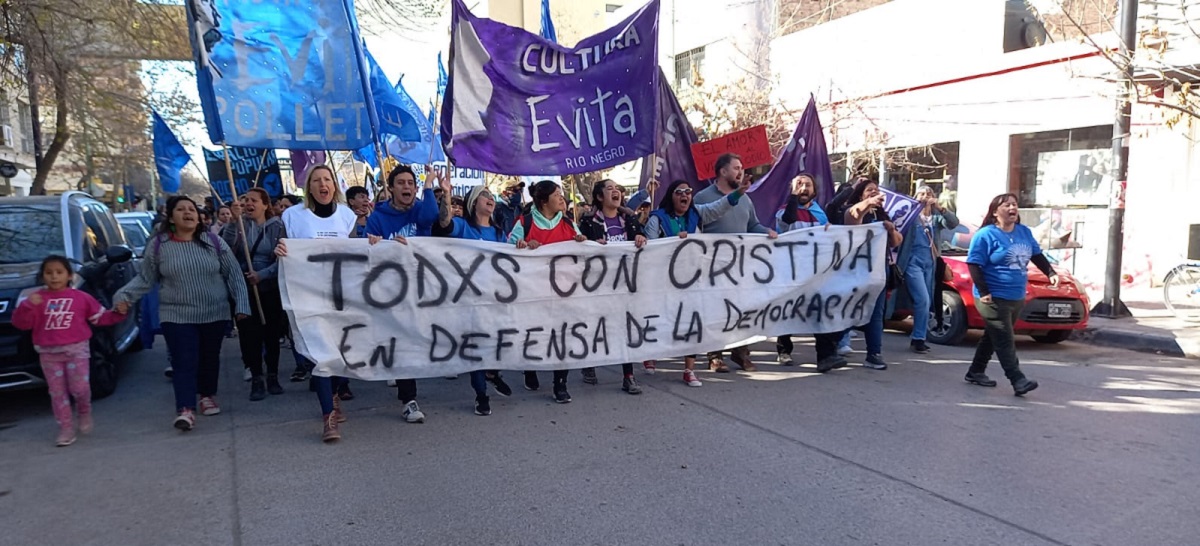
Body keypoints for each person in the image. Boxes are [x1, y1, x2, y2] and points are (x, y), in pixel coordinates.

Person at [114, 196, 251, 431]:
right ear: (171, 216)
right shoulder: (159, 246)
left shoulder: (213, 242)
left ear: (198, 217)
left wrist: (242, 305)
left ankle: (207, 395)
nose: (188, 213)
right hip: (176, 316)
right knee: (184, 360)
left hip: (214, 312)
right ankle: (185, 409)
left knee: (209, 358)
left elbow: (234, 274)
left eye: (192, 209)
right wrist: (124, 296)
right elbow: (145, 278)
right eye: (181, 209)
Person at [275, 165, 358, 442]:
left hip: (340, 296)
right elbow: (282, 245)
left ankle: (334, 394)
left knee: (338, 354)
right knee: (321, 356)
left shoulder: (347, 216)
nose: (323, 184)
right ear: (308, 187)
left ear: (334, 185)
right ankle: (328, 418)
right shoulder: (292, 216)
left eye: (328, 179)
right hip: (307, 295)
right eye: (317, 180)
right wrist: (280, 250)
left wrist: (372, 243)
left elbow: (355, 252)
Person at [12, 256, 128, 446]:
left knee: (80, 388)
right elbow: (21, 324)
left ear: (69, 276)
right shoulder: (36, 299)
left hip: (77, 351)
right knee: (57, 392)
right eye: (49, 273)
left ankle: (84, 412)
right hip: (49, 353)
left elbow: (100, 318)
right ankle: (65, 427)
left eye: (59, 272)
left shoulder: (81, 298)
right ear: (42, 277)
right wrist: (28, 305)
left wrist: (118, 313)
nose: (54, 277)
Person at [644, 177, 747, 386]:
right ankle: (651, 352)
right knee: (662, 319)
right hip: (663, 280)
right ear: (670, 196)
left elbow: (719, 207)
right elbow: (650, 249)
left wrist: (738, 193)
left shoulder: (697, 214)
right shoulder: (657, 218)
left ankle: (689, 370)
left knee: (691, 321)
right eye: (679, 192)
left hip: (692, 279)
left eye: (688, 191)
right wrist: (673, 242)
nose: (684, 195)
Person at [365, 164, 447, 424]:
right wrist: (377, 245)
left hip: (422, 286)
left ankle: (398, 369)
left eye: (411, 183)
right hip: (391, 290)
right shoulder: (378, 217)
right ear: (391, 188)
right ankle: (408, 400)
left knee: (414, 338)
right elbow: (364, 248)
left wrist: (430, 184)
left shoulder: (420, 211)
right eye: (401, 183)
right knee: (400, 339)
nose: (407, 187)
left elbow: (432, 214)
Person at [432, 184, 515, 415]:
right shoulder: (462, 226)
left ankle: (493, 373)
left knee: (496, 341)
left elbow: (512, 259)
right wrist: (446, 197)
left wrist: (524, 247)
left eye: (491, 195)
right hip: (468, 299)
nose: (491, 198)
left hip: (495, 298)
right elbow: (444, 224)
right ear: (473, 203)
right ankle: (481, 395)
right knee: (475, 346)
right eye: (484, 195)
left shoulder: (499, 233)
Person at [692, 153, 778, 373]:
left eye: (741, 168)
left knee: (742, 310)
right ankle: (715, 355)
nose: (741, 172)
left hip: (741, 267)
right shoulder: (703, 198)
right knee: (716, 311)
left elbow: (752, 225)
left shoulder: (746, 199)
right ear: (722, 171)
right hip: (713, 267)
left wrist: (766, 232)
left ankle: (741, 353)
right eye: (736, 168)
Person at [965, 193, 1055, 396]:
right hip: (992, 296)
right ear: (996, 212)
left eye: (1015, 204)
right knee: (1005, 338)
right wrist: (984, 291)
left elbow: (1036, 255)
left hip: (1015, 295)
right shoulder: (986, 235)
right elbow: (974, 264)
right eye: (1007, 205)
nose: (1013, 208)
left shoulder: (1024, 231)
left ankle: (975, 371)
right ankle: (1017, 379)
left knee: (994, 335)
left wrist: (1050, 273)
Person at [509, 180, 587, 403]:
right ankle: (530, 367)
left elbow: (582, 253)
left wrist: (582, 242)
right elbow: (507, 252)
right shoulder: (525, 222)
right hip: (534, 293)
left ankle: (559, 383)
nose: (562, 198)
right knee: (536, 334)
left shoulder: (568, 222)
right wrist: (522, 246)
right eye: (557, 194)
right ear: (544, 201)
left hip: (563, 292)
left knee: (563, 335)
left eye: (562, 193)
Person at [577, 179, 649, 394]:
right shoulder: (589, 222)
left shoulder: (630, 219)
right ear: (600, 197)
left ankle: (628, 376)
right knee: (596, 325)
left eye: (617, 188)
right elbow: (581, 251)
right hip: (599, 285)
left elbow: (645, 239)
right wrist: (589, 245)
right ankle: (589, 363)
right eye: (610, 189)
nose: (615, 191)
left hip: (625, 284)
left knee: (625, 328)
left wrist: (640, 236)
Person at [774, 174, 849, 372]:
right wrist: (793, 197)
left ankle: (825, 357)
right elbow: (788, 220)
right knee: (788, 311)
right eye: (799, 184)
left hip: (816, 272)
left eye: (807, 185)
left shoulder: (820, 214)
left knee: (821, 311)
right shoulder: (784, 211)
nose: (803, 188)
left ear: (814, 191)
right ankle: (784, 349)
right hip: (790, 271)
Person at [222, 188, 287, 401]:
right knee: (250, 335)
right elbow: (228, 249)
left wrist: (262, 274)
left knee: (271, 333)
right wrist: (233, 221)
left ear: (265, 205)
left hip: (269, 287)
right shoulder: (239, 226)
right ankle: (257, 378)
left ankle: (273, 376)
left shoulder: (277, 227)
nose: (249, 203)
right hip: (244, 289)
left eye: (254, 201)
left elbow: (284, 259)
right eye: (246, 200)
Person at [842, 178, 903, 371]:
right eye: (869, 190)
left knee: (876, 313)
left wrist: (891, 230)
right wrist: (868, 203)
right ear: (860, 194)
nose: (874, 193)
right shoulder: (855, 210)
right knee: (847, 307)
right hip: (856, 269)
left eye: (877, 191)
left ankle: (873, 354)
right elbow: (852, 219)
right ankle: (835, 346)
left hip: (879, 269)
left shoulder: (883, 215)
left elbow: (896, 242)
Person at [890, 185, 959, 354]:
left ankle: (918, 336)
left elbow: (953, 223)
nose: (925, 196)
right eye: (921, 193)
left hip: (931, 263)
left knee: (927, 301)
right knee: (923, 299)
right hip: (913, 262)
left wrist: (940, 208)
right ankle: (918, 338)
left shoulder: (936, 218)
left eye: (928, 193)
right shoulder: (911, 217)